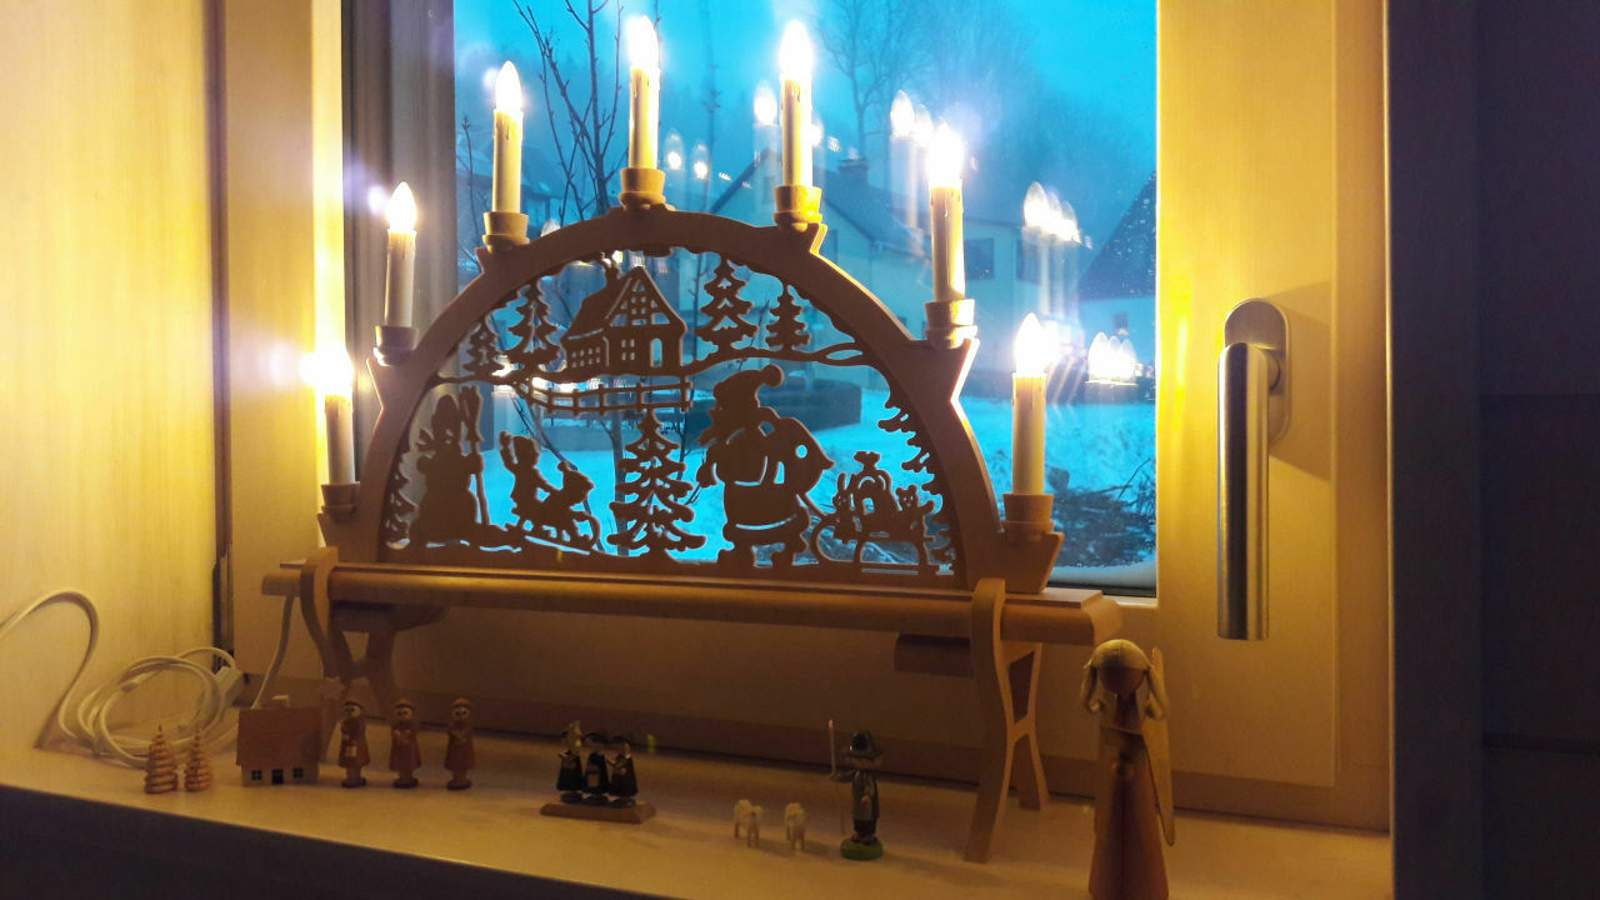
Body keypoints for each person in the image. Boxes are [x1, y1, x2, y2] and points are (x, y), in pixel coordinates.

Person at [444, 697, 476, 791]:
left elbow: (468, 733)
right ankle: (457, 779)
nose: (461, 716)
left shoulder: (468, 726)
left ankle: (462, 780)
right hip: (454, 751)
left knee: (463, 765)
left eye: (464, 713)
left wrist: (461, 736)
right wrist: (456, 734)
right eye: (457, 713)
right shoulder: (452, 726)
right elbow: (450, 731)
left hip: (464, 751)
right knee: (455, 765)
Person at [338, 699, 370, 788]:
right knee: (350, 763)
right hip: (348, 746)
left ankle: (355, 777)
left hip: (355, 746)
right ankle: (352, 777)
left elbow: (357, 732)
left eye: (352, 710)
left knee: (354, 762)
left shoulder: (359, 722)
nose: (349, 712)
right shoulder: (346, 722)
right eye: (347, 710)